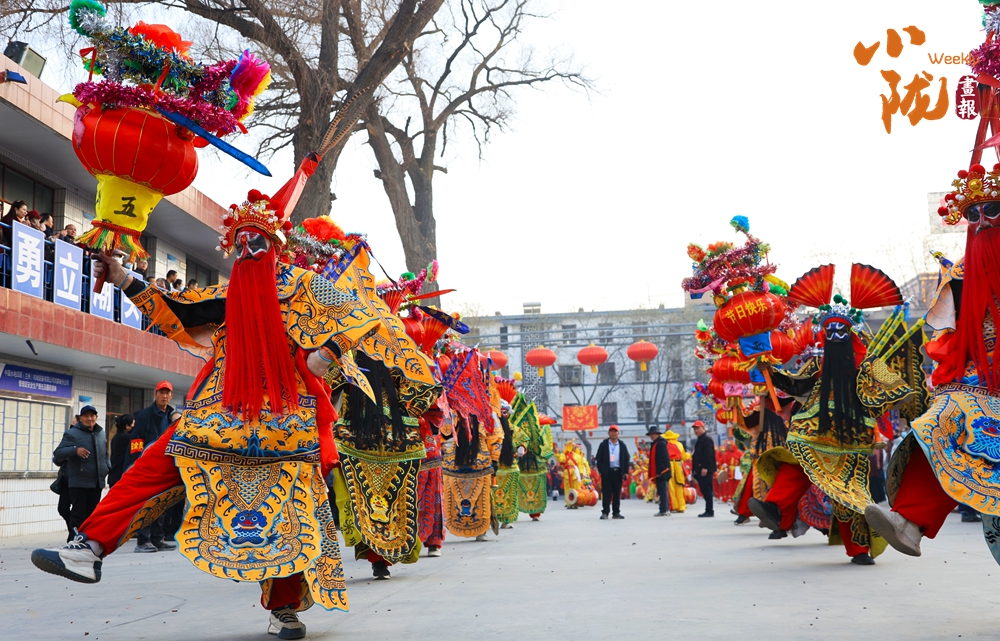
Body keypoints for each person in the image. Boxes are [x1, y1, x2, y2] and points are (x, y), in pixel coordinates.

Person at [31, 188, 385, 639]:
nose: (249, 249)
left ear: (276, 244)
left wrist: (326, 354)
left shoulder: (303, 286)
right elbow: (176, 311)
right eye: (242, 242)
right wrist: (122, 277)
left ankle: (283, 609)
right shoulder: (226, 294)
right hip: (219, 411)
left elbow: (361, 312)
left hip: (286, 420)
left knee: (291, 511)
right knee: (151, 468)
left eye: (257, 241)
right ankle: (90, 548)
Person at [128, 381, 175, 553]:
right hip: (147, 466)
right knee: (147, 504)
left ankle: (157, 539)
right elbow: (136, 441)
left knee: (161, 504)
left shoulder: (170, 416)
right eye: (161, 392)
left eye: (167, 393)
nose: (164, 396)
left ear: (171, 396)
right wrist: (138, 463)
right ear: (155, 394)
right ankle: (143, 541)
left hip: (165, 466)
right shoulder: (145, 415)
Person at [51, 406, 109, 536]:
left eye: (92, 416)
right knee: (78, 515)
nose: (90, 419)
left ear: (96, 417)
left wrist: (107, 467)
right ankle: (74, 540)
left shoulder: (101, 433)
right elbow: (58, 453)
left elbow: (105, 454)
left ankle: (88, 541)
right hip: (79, 482)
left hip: (97, 482)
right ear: (81, 418)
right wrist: (75, 450)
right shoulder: (72, 434)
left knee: (92, 515)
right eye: (86, 416)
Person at [596, 425, 630, 520]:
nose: (613, 433)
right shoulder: (603, 444)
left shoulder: (622, 445)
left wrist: (625, 472)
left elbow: (626, 459)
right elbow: (599, 458)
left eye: (615, 431)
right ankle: (605, 512)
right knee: (606, 493)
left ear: (618, 433)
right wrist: (602, 470)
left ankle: (616, 512)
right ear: (608, 433)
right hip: (607, 473)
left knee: (616, 493)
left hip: (618, 472)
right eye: (611, 431)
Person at [691, 420, 716, 517]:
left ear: (703, 428)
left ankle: (709, 510)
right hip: (699, 469)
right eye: (695, 429)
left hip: (705, 469)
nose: (696, 431)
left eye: (698, 428)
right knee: (704, 490)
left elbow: (708, 455)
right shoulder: (700, 440)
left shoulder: (706, 439)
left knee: (707, 490)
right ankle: (708, 509)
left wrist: (705, 467)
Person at [647, 426, 671, 516]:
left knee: (663, 491)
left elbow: (663, 459)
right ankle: (665, 509)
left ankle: (664, 510)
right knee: (662, 491)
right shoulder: (656, 443)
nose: (651, 436)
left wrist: (659, 472)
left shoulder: (660, 444)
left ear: (657, 434)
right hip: (661, 472)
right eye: (651, 434)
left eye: (653, 434)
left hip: (662, 472)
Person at [107, 414, 134, 487]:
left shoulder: (116, 437)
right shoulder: (126, 438)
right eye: (133, 424)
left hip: (114, 475)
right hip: (120, 476)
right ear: (127, 426)